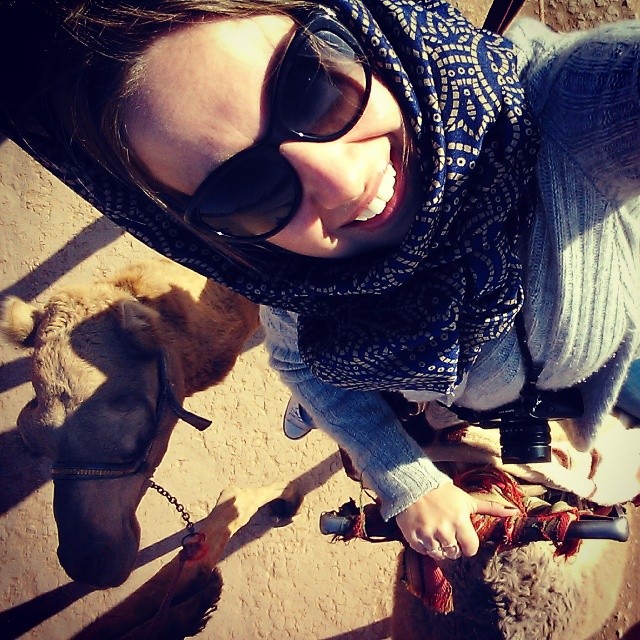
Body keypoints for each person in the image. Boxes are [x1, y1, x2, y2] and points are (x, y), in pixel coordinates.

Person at [1, 0, 639, 562]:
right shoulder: (298, 293)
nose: (341, 182)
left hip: (609, 362)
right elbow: (300, 363)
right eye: (246, 189)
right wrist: (404, 477)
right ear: (212, 239)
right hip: (471, 399)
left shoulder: (568, 115)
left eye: (307, 86)